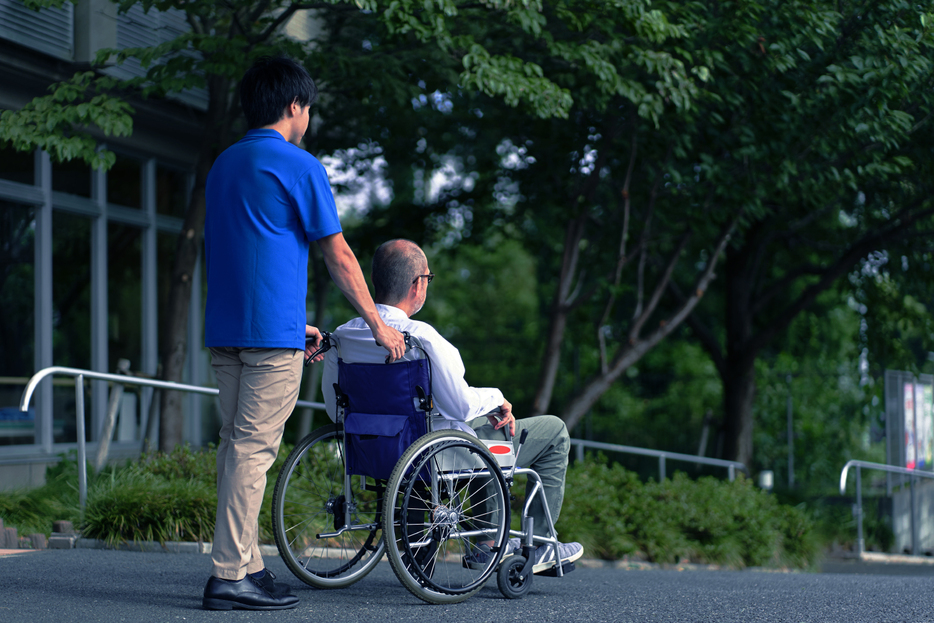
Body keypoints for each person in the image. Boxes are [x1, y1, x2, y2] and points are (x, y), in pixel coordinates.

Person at [201, 56, 405, 611]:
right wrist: (377, 322)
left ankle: (248, 564)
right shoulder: (298, 165)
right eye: (308, 107)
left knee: (235, 446)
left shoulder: (223, 164)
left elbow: (236, 252)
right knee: (253, 448)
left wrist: (293, 324)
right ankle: (227, 575)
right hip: (267, 338)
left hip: (227, 330)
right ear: (295, 106)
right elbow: (337, 254)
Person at [321, 239, 584, 574]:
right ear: (417, 285)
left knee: (476, 432)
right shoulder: (421, 336)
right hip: (435, 453)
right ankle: (541, 542)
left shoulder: (344, 335)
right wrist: (497, 398)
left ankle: (488, 543)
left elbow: (335, 409)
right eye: (428, 278)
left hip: (375, 449)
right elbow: (460, 406)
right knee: (553, 431)